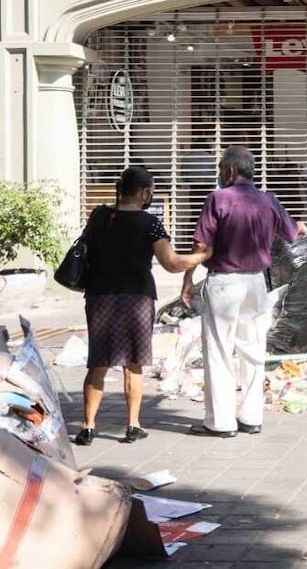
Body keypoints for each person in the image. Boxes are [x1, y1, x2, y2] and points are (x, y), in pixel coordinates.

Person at [74, 167, 210, 446]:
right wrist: (202, 256)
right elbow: (171, 263)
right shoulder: (149, 223)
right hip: (136, 298)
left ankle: (87, 427)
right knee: (133, 363)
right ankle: (132, 425)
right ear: (145, 192)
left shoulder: (99, 216)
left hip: (99, 297)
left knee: (98, 362)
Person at [183, 146, 306, 438]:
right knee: (253, 350)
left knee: (219, 351)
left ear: (228, 171)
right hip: (256, 283)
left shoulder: (218, 199)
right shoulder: (268, 200)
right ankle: (252, 417)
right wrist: (299, 225)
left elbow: (201, 246)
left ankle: (221, 422)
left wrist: (187, 278)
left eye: (220, 169)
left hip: (224, 282)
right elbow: (293, 232)